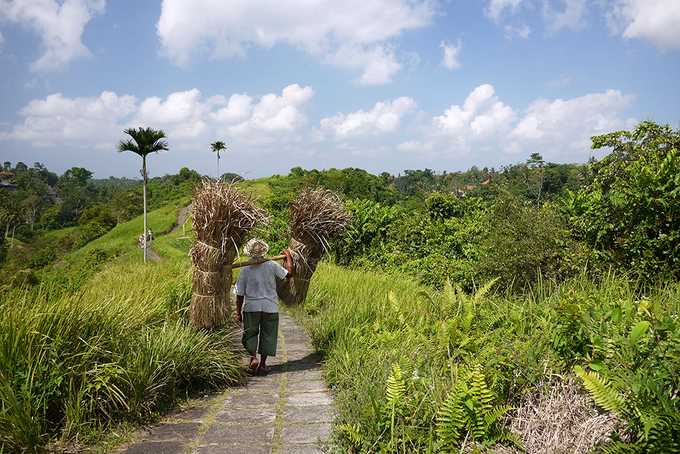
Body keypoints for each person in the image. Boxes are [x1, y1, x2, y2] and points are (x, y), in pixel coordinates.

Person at [235, 238, 292, 375]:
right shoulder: (271, 265)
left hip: (251, 307)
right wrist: (288, 257)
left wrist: (238, 312)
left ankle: (253, 357)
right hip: (270, 307)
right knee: (268, 335)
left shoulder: (245, 270)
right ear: (264, 252)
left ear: (249, 253)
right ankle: (263, 364)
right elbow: (288, 274)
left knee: (250, 334)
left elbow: (239, 294)